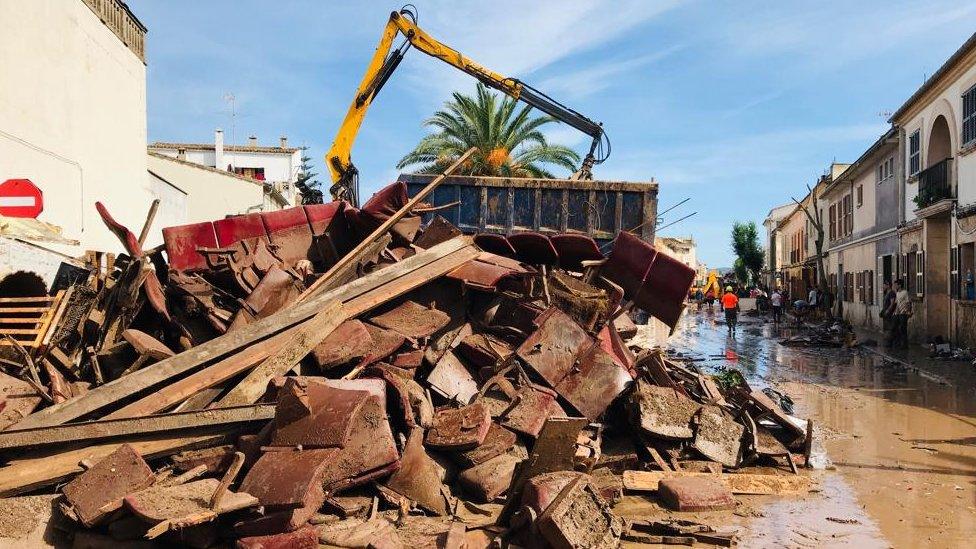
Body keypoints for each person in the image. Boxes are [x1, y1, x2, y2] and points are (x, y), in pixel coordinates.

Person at [885, 279, 912, 349]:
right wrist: (895, 312)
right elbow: (896, 303)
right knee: (894, 327)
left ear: (899, 285)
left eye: (896, 285)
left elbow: (908, 302)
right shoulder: (897, 293)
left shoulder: (905, 292)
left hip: (904, 312)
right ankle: (895, 343)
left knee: (903, 329)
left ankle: (904, 345)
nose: (895, 286)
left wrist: (908, 311)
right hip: (898, 313)